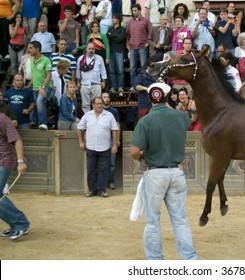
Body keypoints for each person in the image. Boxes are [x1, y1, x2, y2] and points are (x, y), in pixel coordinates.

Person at [130, 82, 197, 260]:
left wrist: (143, 155)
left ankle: (156, 262)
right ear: (168, 97)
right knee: (180, 220)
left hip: (155, 173)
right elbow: (190, 121)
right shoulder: (179, 116)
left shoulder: (145, 120)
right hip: (176, 171)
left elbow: (135, 152)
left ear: (150, 98)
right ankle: (190, 260)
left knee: (153, 221)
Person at [77, 96, 118, 198]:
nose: (99, 105)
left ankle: (101, 190)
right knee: (91, 169)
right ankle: (92, 190)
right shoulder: (87, 115)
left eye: (101, 103)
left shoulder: (109, 115)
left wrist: (114, 145)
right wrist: (81, 142)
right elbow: (79, 128)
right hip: (91, 147)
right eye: (97, 103)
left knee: (103, 170)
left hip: (105, 147)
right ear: (93, 105)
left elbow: (115, 130)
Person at [0, 113, 29, 241]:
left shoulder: (2, 119)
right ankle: (14, 224)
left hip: (4, 160)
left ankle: (21, 223)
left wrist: (21, 162)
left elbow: (17, 139)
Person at [127, 4, 153, 90]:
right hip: (133, 47)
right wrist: (128, 46)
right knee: (132, 68)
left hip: (142, 47)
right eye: (133, 11)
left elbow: (151, 32)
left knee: (143, 67)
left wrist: (148, 42)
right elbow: (127, 35)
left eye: (135, 10)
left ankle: (144, 85)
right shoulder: (130, 22)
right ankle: (133, 85)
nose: (134, 12)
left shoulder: (145, 21)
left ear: (139, 11)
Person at [76, 42, 107, 113]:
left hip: (96, 85)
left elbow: (103, 70)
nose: (91, 50)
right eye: (89, 49)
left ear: (95, 50)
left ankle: (96, 118)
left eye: (93, 49)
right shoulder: (81, 59)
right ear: (86, 49)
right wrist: (78, 82)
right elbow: (78, 71)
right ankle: (88, 120)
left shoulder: (99, 58)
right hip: (84, 84)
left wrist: (104, 81)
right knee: (85, 104)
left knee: (97, 104)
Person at [29, 41, 53, 130]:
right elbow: (34, 75)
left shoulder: (46, 60)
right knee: (35, 104)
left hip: (46, 87)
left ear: (37, 49)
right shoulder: (31, 60)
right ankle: (34, 121)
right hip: (35, 88)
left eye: (31, 48)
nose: (29, 50)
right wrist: (28, 85)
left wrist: (43, 88)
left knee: (39, 101)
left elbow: (49, 75)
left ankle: (43, 123)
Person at [101, 92, 120, 190]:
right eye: (104, 97)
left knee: (112, 163)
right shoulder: (97, 111)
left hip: (112, 139)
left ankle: (111, 182)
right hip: (102, 140)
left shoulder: (114, 111)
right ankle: (102, 183)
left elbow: (117, 126)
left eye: (108, 97)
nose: (106, 99)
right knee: (102, 163)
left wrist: (117, 140)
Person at [107, 14, 126, 93]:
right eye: (113, 18)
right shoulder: (110, 29)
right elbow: (107, 36)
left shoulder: (123, 29)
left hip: (119, 51)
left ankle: (120, 86)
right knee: (111, 70)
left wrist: (112, 36)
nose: (113, 20)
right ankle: (113, 86)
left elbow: (121, 38)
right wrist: (116, 36)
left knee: (120, 70)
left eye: (114, 18)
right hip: (111, 51)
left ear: (118, 20)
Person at [8, 12, 26, 77]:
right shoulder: (11, 25)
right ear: (15, 18)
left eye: (20, 17)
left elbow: (26, 34)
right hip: (12, 45)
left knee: (20, 61)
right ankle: (14, 78)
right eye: (17, 17)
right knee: (13, 64)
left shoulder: (23, 26)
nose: (19, 19)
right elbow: (12, 36)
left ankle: (20, 76)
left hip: (21, 46)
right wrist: (16, 26)